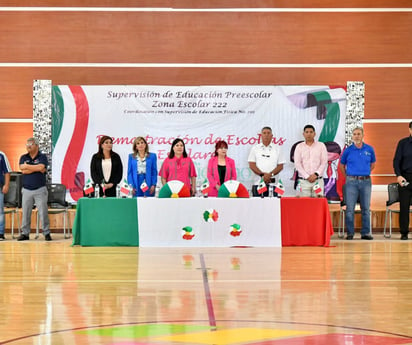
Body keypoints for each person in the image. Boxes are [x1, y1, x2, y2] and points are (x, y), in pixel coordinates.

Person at [340, 127, 376, 240]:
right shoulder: (348, 150)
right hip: (351, 182)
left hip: (366, 181)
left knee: (365, 208)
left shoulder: (369, 149)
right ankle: (350, 233)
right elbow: (341, 166)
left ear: (363, 135)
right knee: (350, 209)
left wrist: (364, 172)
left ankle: (365, 233)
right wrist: (349, 177)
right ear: (352, 136)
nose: (357, 136)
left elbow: (373, 164)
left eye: (359, 134)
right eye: (354, 134)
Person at [18, 138, 51, 241]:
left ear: (36, 146)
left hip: (40, 189)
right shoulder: (23, 157)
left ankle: (46, 233)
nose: (28, 147)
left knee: (43, 212)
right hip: (27, 189)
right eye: (27, 145)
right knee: (26, 213)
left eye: (30, 145)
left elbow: (42, 167)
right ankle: (25, 233)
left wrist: (28, 166)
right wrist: (36, 168)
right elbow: (23, 170)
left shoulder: (42, 156)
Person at [248, 126, 285, 197]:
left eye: (268, 133)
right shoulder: (255, 148)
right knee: (258, 206)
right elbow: (252, 164)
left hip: (274, 183)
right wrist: (263, 175)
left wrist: (270, 175)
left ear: (272, 136)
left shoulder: (278, 148)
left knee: (273, 207)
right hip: (258, 183)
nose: (266, 135)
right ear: (261, 135)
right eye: (264, 133)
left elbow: (280, 166)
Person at [294, 124, 328, 197]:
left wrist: (316, 174)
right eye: (307, 132)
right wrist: (307, 176)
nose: (309, 134)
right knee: (304, 205)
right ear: (303, 134)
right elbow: (297, 164)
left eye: (311, 132)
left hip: (318, 181)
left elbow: (324, 162)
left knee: (318, 205)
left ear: (314, 134)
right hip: (303, 181)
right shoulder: (299, 146)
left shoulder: (321, 145)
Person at [393, 121, 412, 240]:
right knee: (404, 206)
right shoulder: (403, 143)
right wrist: (399, 176)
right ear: (410, 129)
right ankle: (404, 232)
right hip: (405, 178)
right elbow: (396, 161)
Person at [0, 150, 11, 241]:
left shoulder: (1, 154)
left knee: (0, 212)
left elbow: (7, 171)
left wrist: (6, 185)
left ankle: (0, 233)